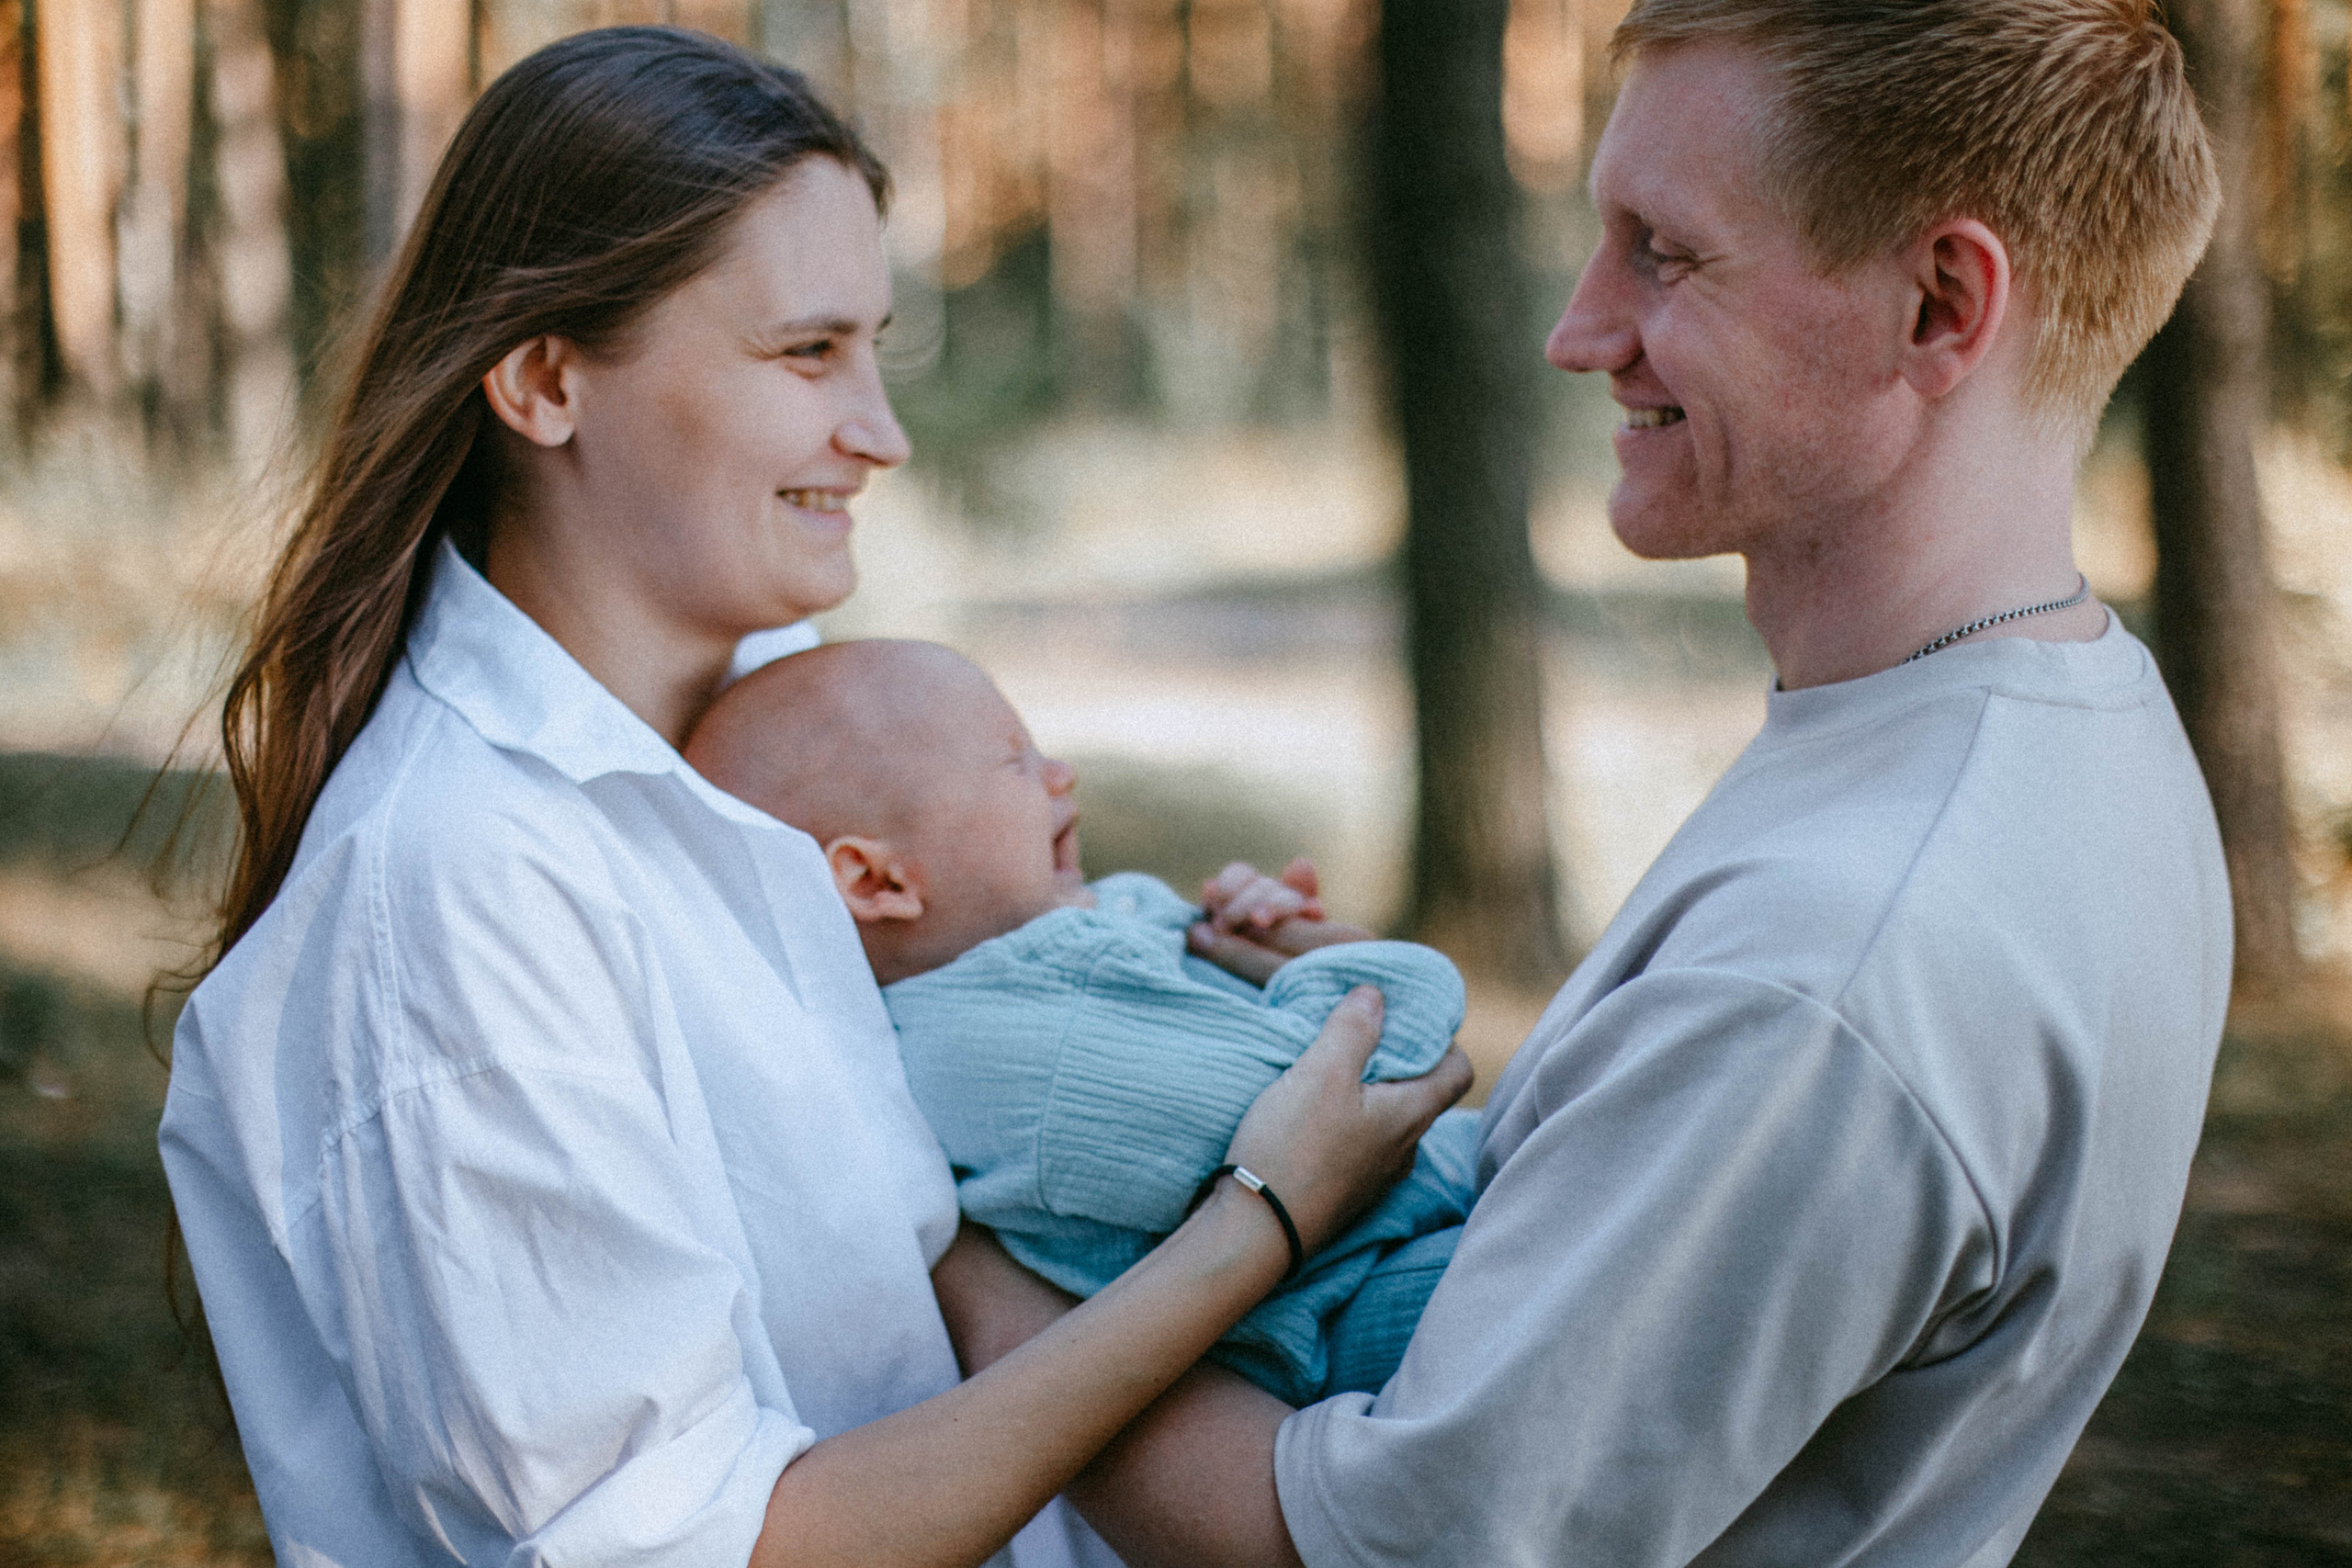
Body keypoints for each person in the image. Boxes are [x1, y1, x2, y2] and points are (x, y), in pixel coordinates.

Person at [938, 4, 2235, 1565]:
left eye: (1664, 254)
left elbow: (1343, 1553)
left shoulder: (1833, 964)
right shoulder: (2064, 719)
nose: (1577, 328)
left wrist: (946, 1233)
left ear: (1939, 303)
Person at [154, 28, 1467, 1568]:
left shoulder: (769, 722)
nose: (884, 433)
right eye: (804, 352)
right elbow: (696, 1544)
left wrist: (1213, 983)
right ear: (544, 378)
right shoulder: (458, 883)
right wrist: (1264, 1218)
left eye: (877, 347)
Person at [684, 637, 1481, 1408]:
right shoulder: (1011, 1053)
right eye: (1013, 758)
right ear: (880, 878)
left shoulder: (1078, 931)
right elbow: (1372, 1084)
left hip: (1434, 1208)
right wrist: (1337, 969)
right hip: (1374, 1303)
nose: (1060, 771)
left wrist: (1269, 940)